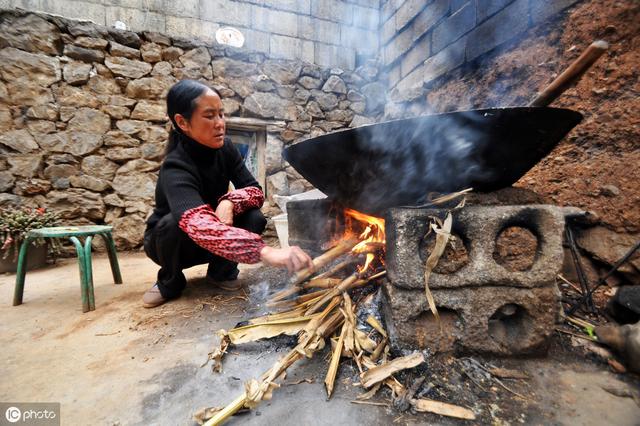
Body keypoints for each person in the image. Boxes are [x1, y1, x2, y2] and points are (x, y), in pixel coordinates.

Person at [142, 80, 313, 308]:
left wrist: (229, 201)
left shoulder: (226, 149)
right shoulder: (175, 166)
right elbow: (198, 225)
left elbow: (255, 191)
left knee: (254, 216)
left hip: (219, 233)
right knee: (172, 224)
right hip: (173, 243)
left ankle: (221, 272)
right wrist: (265, 251)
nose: (220, 124)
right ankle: (170, 281)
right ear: (183, 122)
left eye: (221, 114)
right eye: (209, 116)